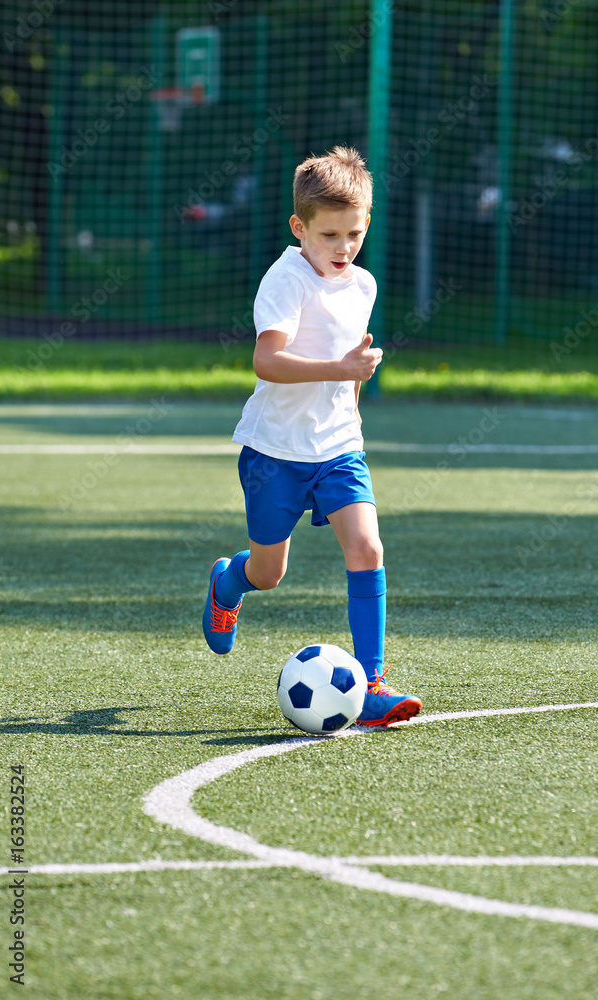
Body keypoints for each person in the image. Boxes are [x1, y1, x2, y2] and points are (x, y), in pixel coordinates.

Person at [202, 145, 422, 727]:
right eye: (329, 235)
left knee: (367, 548)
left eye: (354, 233)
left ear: (367, 222)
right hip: (275, 452)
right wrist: (341, 370)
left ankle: (372, 685)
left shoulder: (364, 285)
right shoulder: (285, 280)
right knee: (268, 574)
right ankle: (228, 583)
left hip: (339, 449)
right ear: (299, 228)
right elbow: (266, 361)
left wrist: (350, 408)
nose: (343, 248)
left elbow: (349, 367)